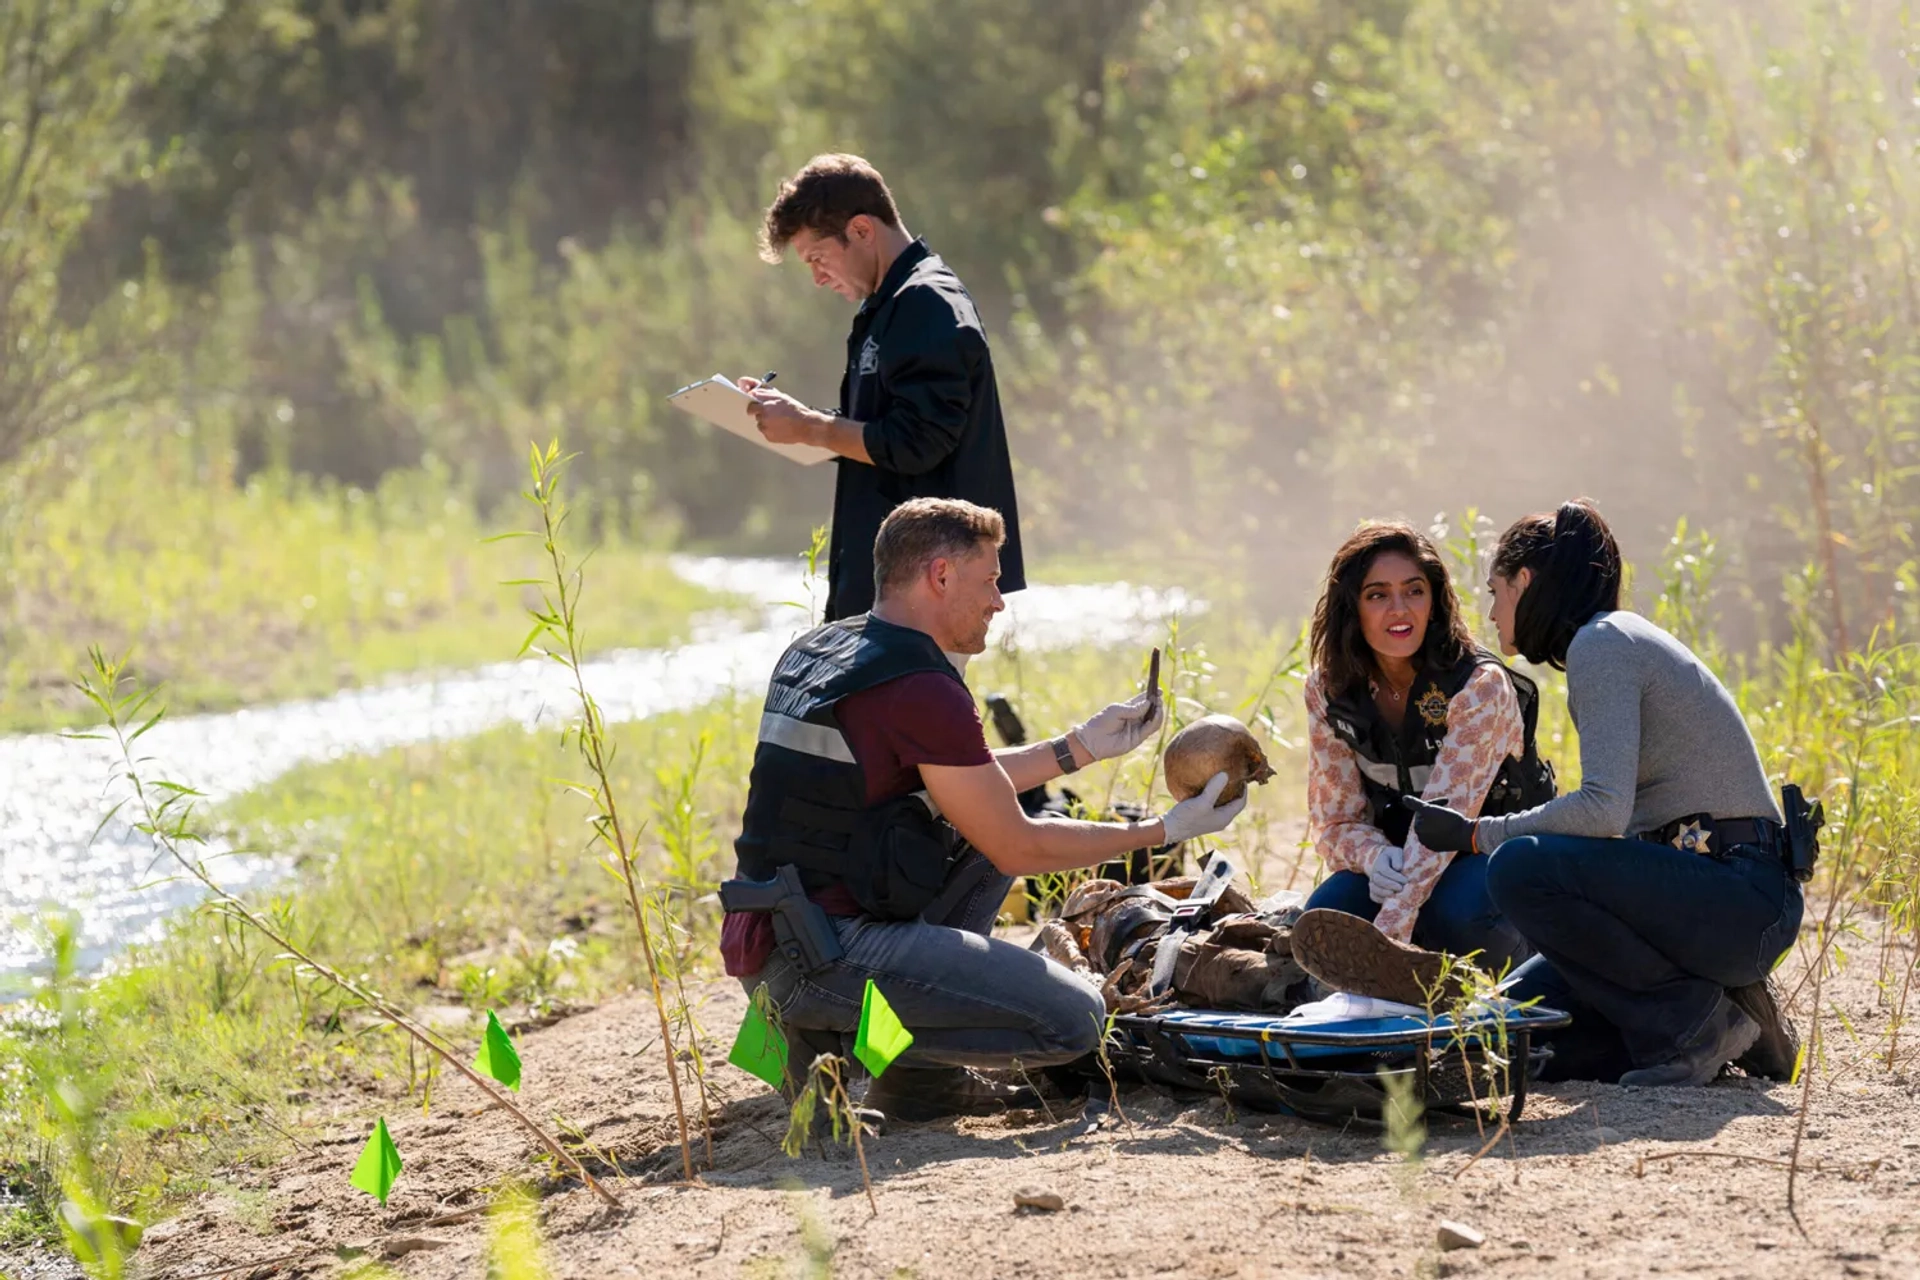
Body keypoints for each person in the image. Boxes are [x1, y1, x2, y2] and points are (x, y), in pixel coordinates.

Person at [721, 497, 1247, 1121]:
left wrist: (1079, 747)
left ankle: (920, 1084)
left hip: (776, 937)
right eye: (992, 580)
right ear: (940, 575)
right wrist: (1162, 830)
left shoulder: (826, 649)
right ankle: (832, 1047)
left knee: (981, 831)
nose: (1000, 600)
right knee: (1076, 1021)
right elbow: (1020, 846)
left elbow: (964, 784)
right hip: (823, 956)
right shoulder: (919, 686)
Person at [1406, 499, 1807, 1086]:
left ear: (1525, 580)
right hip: (1713, 901)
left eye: (1494, 591)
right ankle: (1736, 1022)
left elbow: (1602, 809)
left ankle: (1695, 1025)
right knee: (1503, 1032)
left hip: (1739, 898)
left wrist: (1474, 835)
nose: (1490, 612)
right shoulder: (1610, 642)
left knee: (1518, 868)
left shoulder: (1603, 644)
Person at [742, 154, 1024, 623]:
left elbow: (917, 441)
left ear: (861, 231)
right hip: (897, 586)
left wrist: (811, 427)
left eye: (817, 258)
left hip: (928, 591)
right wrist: (799, 419)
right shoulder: (889, 304)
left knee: (909, 700)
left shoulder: (927, 301)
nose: (816, 278)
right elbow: (882, 426)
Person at [1300, 522, 1553, 973]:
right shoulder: (1329, 688)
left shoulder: (1478, 686)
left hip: (1493, 858)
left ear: (1434, 600)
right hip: (1400, 859)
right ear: (1350, 608)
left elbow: (1441, 829)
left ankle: (1533, 964)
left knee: (1458, 919)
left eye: (1414, 591)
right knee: (1326, 916)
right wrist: (1374, 857)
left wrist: (1387, 955)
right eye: (1377, 595)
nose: (1400, 610)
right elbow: (1334, 820)